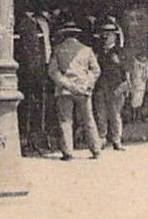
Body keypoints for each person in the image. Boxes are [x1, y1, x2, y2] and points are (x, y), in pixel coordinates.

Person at [47, 24, 100, 160]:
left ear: (64, 35)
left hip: (64, 90)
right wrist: (87, 84)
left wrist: (67, 84)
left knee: (66, 121)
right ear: (77, 35)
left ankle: (68, 152)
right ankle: (95, 149)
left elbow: (53, 71)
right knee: (88, 119)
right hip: (83, 90)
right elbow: (96, 71)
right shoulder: (87, 50)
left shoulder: (58, 50)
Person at [91, 19, 129, 152]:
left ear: (114, 36)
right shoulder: (98, 52)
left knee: (115, 114)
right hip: (101, 86)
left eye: (108, 34)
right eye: (103, 34)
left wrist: (125, 86)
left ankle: (116, 140)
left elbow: (127, 70)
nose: (105, 37)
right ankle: (102, 138)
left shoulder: (120, 51)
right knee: (101, 113)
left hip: (116, 87)